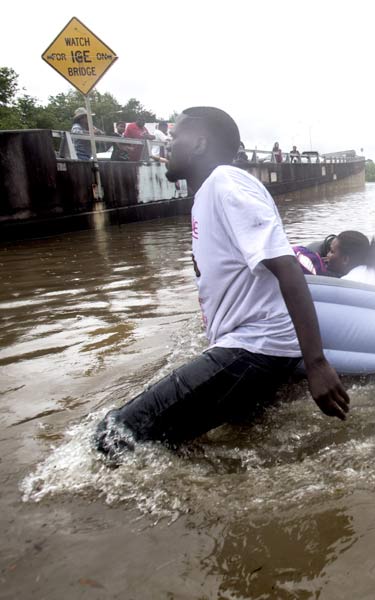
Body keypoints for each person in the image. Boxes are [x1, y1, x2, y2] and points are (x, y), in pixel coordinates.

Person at [95, 106, 349, 458]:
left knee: (113, 436)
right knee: (213, 448)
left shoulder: (226, 184)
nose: (167, 144)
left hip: (256, 348)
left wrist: (316, 364)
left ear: (199, 143)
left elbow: (288, 267)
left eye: (175, 136)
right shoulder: (207, 195)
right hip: (248, 347)